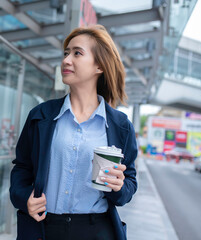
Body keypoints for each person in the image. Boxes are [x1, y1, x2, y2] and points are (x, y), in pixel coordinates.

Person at [10, 25, 138, 240]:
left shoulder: (120, 125)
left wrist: (119, 186)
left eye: (77, 53)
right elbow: (22, 167)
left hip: (96, 230)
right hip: (44, 228)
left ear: (99, 66)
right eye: (66, 53)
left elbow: (130, 183)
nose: (66, 60)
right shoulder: (41, 115)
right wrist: (25, 198)